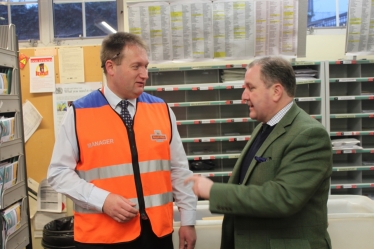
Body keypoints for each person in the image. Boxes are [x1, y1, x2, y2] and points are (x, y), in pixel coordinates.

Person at [47, 32, 197, 249]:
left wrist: (188, 220)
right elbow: (58, 174)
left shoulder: (161, 110)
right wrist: (102, 200)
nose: (145, 74)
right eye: (136, 66)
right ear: (111, 67)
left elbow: (179, 170)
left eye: (146, 66)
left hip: (156, 236)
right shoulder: (79, 113)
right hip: (101, 239)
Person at [185, 56, 332, 249]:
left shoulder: (309, 135)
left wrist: (213, 191)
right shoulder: (264, 128)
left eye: (250, 88)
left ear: (276, 91)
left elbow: (283, 198)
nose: (243, 96)